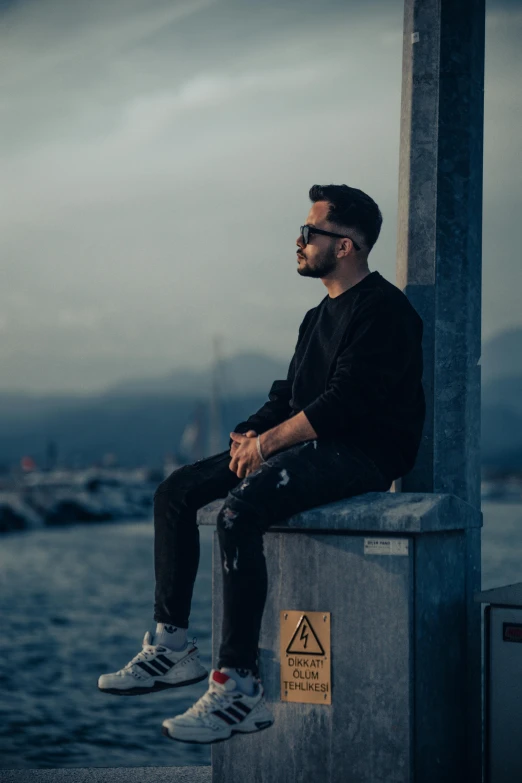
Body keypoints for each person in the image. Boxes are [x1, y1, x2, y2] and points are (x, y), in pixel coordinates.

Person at [98, 184, 426, 745]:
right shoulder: (315, 316)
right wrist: (249, 433)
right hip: (306, 444)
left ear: (345, 246)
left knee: (239, 513)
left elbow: (344, 403)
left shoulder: (384, 309)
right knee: (176, 492)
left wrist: (270, 444)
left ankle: (239, 686)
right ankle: (171, 648)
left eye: (309, 232)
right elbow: (291, 393)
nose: (298, 242)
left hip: (363, 452)